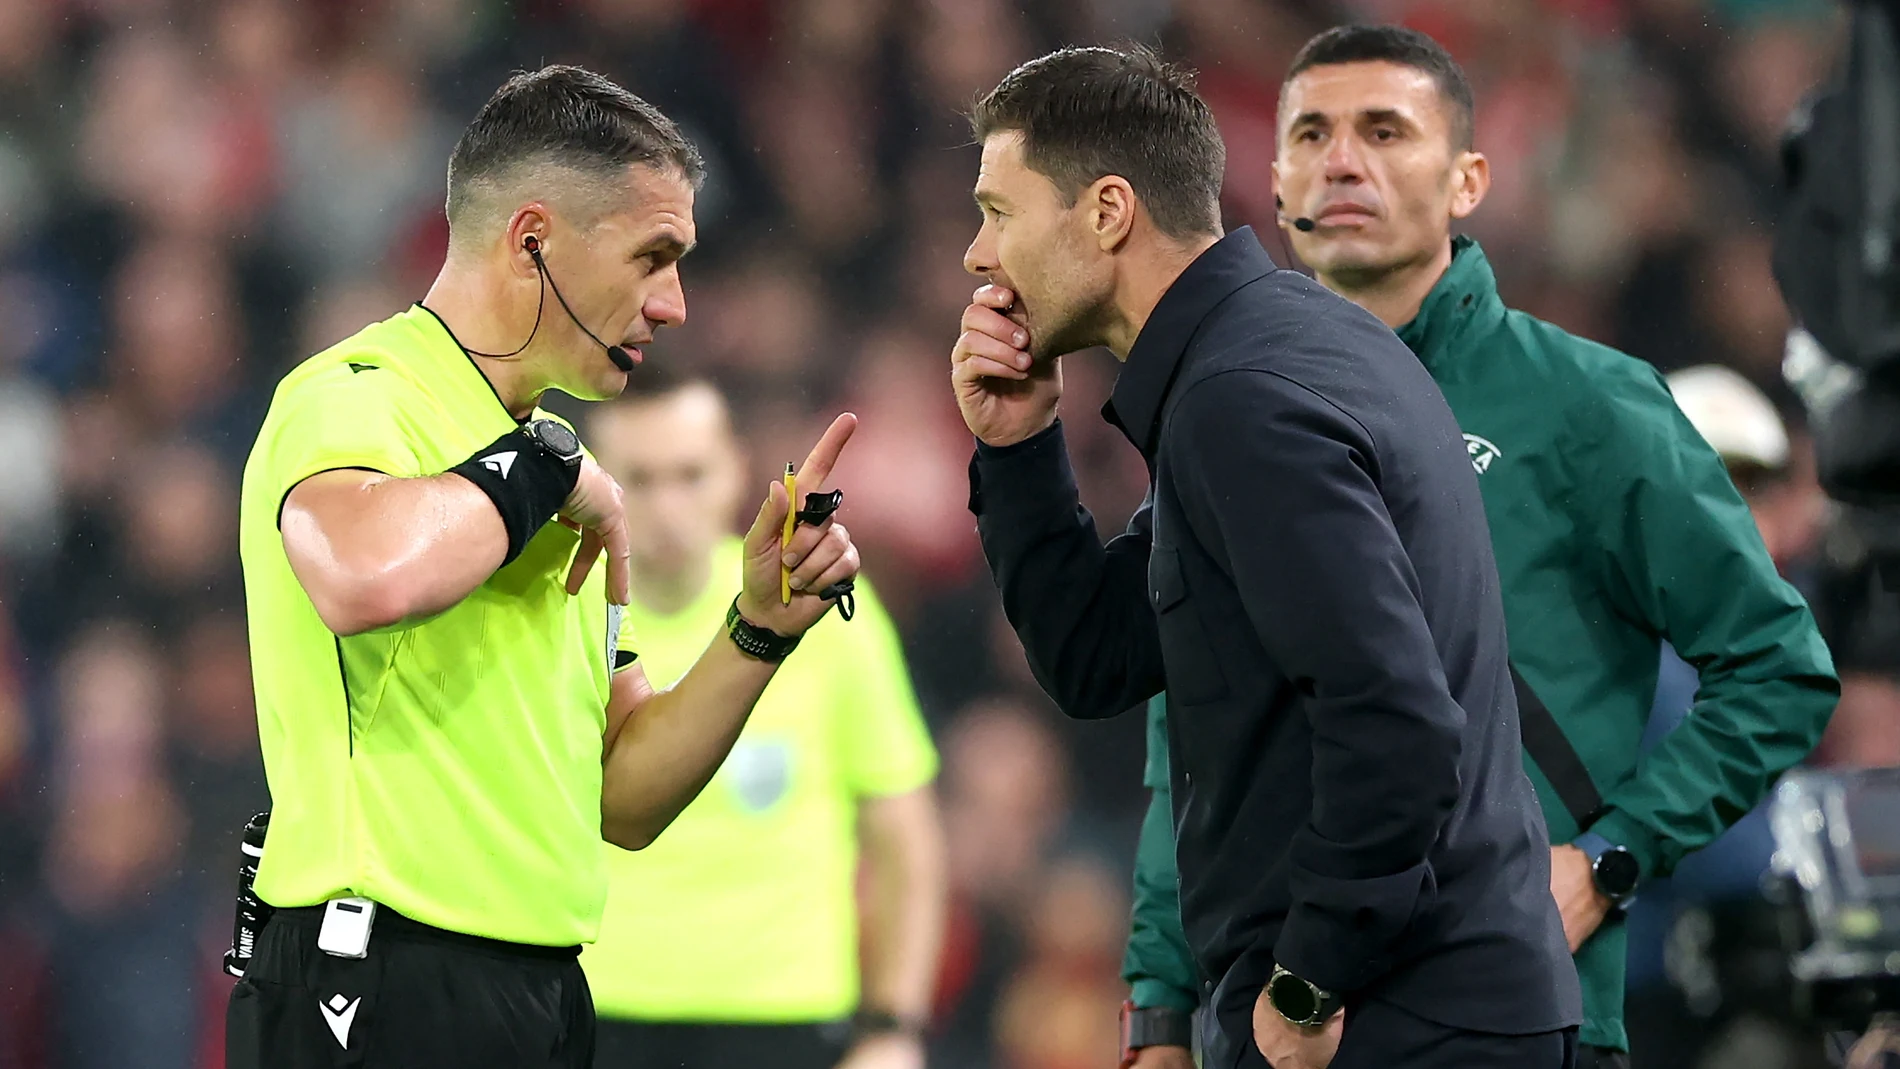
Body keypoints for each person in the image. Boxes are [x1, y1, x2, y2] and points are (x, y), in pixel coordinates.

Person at [1116, 27, 1840, 1069]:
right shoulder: (1216, 417)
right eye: (1311, 133)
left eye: (1384, 130)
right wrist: (1157, 1009)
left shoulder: (1586, 405)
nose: (1343, 160)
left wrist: (1606, 863)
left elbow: (1778, 666)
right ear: (1271, 183)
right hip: (1268, 1023)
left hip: (1504, 1021)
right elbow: (1184, 734)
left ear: (1468, 180)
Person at [951, 44, 1580, 1069]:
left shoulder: (1245, 399)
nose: (979, 255)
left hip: (1389, 1019)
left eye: (999, 210)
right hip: (1425, 1006)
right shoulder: (1265, 358)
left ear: (1107, 212)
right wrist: (1020, 450)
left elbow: (1397, 726)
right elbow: (1098, 655)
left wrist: (1307, 974)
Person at [230, 65, 862, 1069]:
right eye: (654, 257)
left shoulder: (552, 465)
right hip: (378, 970)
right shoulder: (356, 395)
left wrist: (758, 625)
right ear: (534, 240)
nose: (676, 305)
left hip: (541, 986)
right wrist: (543, 465)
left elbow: (623, 794)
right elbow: (359, 575)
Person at [578, 367, 946, 1069]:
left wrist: (893, 1026)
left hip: (787, 1018)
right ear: (596, 479)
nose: (666, 506)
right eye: (640, 479)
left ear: (736, 469)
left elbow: (905, 838)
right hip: (592, 1005)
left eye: (690, 474)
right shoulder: (556, 603)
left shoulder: (816, 604)